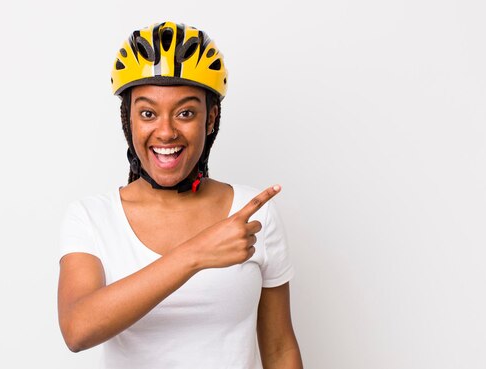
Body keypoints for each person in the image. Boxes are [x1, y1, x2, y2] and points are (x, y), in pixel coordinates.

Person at [57, 21, 303, 369]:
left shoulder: (253, 215)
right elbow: (77, 330)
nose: (167, 131)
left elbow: (279, 350)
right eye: (148, 113)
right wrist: (197, 253)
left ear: (211, 119)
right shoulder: (91, 217)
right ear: (128, 120)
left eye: (186, 112)